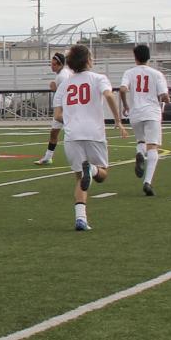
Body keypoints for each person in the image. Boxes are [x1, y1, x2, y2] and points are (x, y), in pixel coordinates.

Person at [55, 44, 125, 231]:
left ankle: (80, 218)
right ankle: (93, 170)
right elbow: (109, 95)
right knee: (102, 174)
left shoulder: (64, 84)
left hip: (72, 135)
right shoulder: (98, 78)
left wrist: (71, 118)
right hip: (93, 132)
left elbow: (57, 115)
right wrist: (118, 120)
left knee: (78, 177)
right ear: (88, 60)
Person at [118, 44, 171, 197]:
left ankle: (140, 153)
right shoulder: (157, 74)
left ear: (135, 57)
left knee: (141, 141)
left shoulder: (129, 73)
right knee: (152, 146)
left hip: (135, 113)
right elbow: (164, 96)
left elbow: (122, 89)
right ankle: (147, 182)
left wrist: (126, 105)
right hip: (152, 112)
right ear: (149, 57)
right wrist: (166, 99)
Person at [35, 51, 71, 166]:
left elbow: (65, 92)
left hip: (63, 108)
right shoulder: (62, 74)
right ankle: (48, 157)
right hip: (63, 107)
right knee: (54, 132)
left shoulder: (63, 76)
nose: (52, 66)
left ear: (59, 64)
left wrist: (54, 88)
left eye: (54, 64)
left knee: (70, 130)